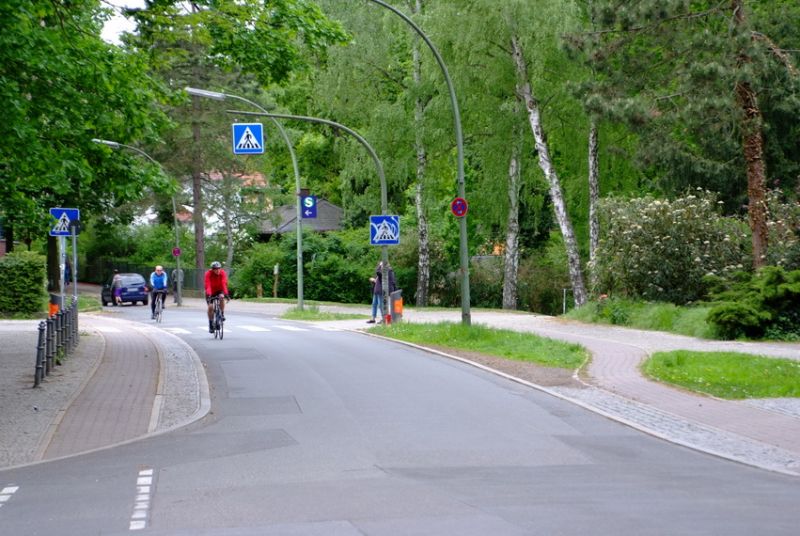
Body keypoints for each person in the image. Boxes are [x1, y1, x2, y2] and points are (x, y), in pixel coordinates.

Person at [205, 261, 230, 333]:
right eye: (216, 269)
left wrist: (226, 294)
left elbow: (223, 283)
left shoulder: (222, 273)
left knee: (222, 297)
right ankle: (210, 324)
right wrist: (209, 295)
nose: (218, 270)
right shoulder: (208, 274)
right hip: (210, 291)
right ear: (212, 269)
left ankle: (221, 314)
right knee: (210, 307)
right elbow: (208, 285)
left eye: (219, 268)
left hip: (219, 290)